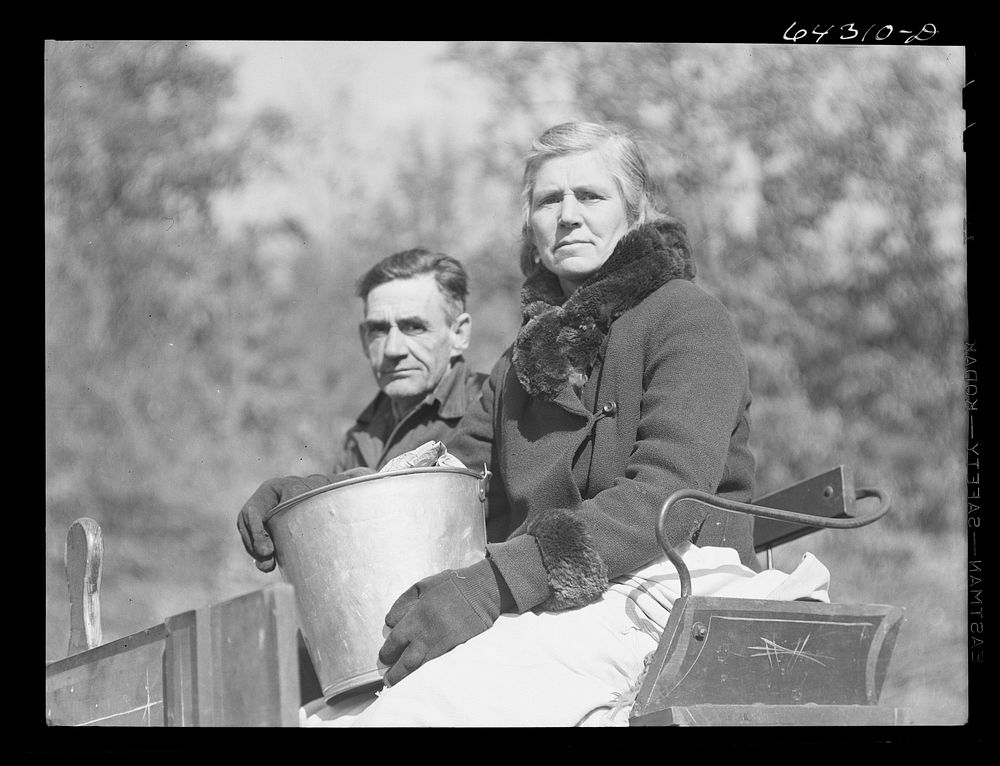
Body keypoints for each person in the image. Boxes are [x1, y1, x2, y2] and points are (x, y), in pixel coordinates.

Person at [243, 121, 831, 726]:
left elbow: (666, 502)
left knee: (410, 717)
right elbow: (442, 475)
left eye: (591, 196)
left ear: (635, 212)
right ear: (532, 226)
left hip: (669, 587)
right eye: (550, 200)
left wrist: (490, 584)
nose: (568, 216)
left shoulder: (686, 318)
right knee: (316, 715)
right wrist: (312, 497)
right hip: (549, 603)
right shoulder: (524, 359)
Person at [237, 248, 488, 573]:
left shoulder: (492, 407)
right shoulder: (361, 438)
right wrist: (291, 499)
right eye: (379, 330)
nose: (393, 349)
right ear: (362, 338)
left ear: (459, 334)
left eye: (414, 327)